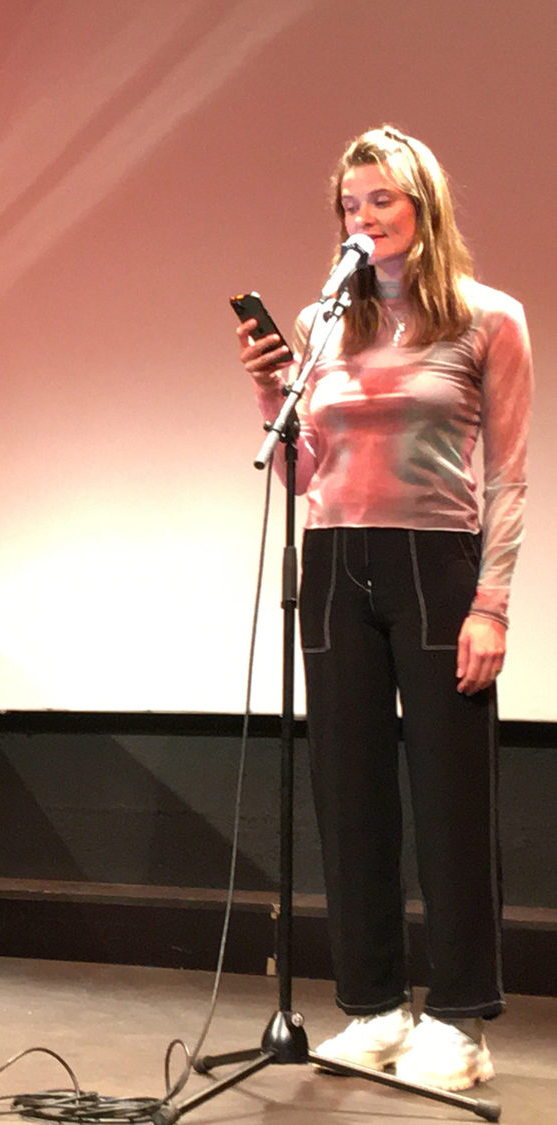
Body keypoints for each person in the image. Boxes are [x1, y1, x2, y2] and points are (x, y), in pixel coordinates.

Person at [236, 126, 532, 1093]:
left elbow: (510, 477)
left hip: (434, 564)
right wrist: (271, 390)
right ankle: (373, 1004)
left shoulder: (488, 318)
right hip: (334, 560)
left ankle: (461, 1017)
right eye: (349, 205)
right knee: (348, 790)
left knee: (450, 793)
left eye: (381, 201)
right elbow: (302, 472)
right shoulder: (325, 324)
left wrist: (492, 604)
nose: (363, 219)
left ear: (423, 206)